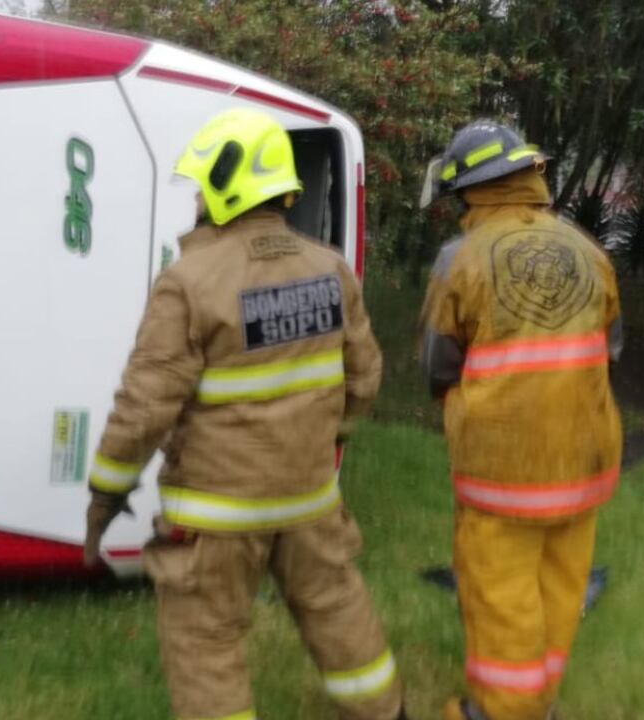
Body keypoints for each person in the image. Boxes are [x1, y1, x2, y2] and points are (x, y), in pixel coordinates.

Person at [82, 107, 407, 720]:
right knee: (335, 605)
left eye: (204, 187)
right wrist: (326, 437)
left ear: (226, 186)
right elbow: (364, 378)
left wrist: (105, 497)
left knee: (207, 639)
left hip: (217, 514)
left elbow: (145, 408)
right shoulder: (330, 269)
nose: (200, 200)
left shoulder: (189, 281)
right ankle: (386, 712)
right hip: (310, 499)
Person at [418, 120, 624, 720]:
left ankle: (501, 710)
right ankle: (540, 699)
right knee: (561, 588)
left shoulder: (460, 258)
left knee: (501, 593)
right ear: (530, 176)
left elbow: (438, 365)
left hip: (501, 467)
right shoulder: (591, 252)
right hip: (585, 459)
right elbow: (610, 350)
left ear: (469, 191)